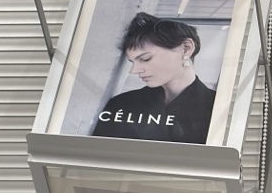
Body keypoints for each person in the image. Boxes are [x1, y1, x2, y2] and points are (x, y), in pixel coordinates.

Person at [91, 12, 216, 144]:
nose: (134, 70)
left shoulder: (218, 108)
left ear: (185, 48)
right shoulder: (120, 104)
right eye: (132, 62)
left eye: (146, 58)